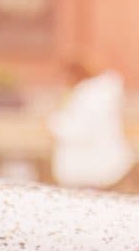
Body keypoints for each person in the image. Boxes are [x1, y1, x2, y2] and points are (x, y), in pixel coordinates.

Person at [48, 62, 133, 190]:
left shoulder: (88, 99)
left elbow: (79, 131)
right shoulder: (98, 96)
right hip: (104, 168)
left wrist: (54, 124)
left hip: (94, 171)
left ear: (70, 77)